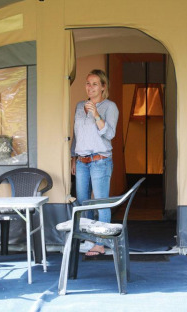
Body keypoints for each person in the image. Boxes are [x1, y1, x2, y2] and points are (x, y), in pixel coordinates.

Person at [71, 69, 119, 256]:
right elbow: (77, 133)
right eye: (88, 83)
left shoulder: (110, 107)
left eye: (95, 84)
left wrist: (97, 114)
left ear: (103, 87)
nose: (90, 87)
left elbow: (110, 134)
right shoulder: (79, 106)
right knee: (83, 203)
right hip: (82, 161)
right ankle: (89, 240)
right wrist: (73, 157)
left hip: (100, 160)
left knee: (100, 203)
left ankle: (100, 243)